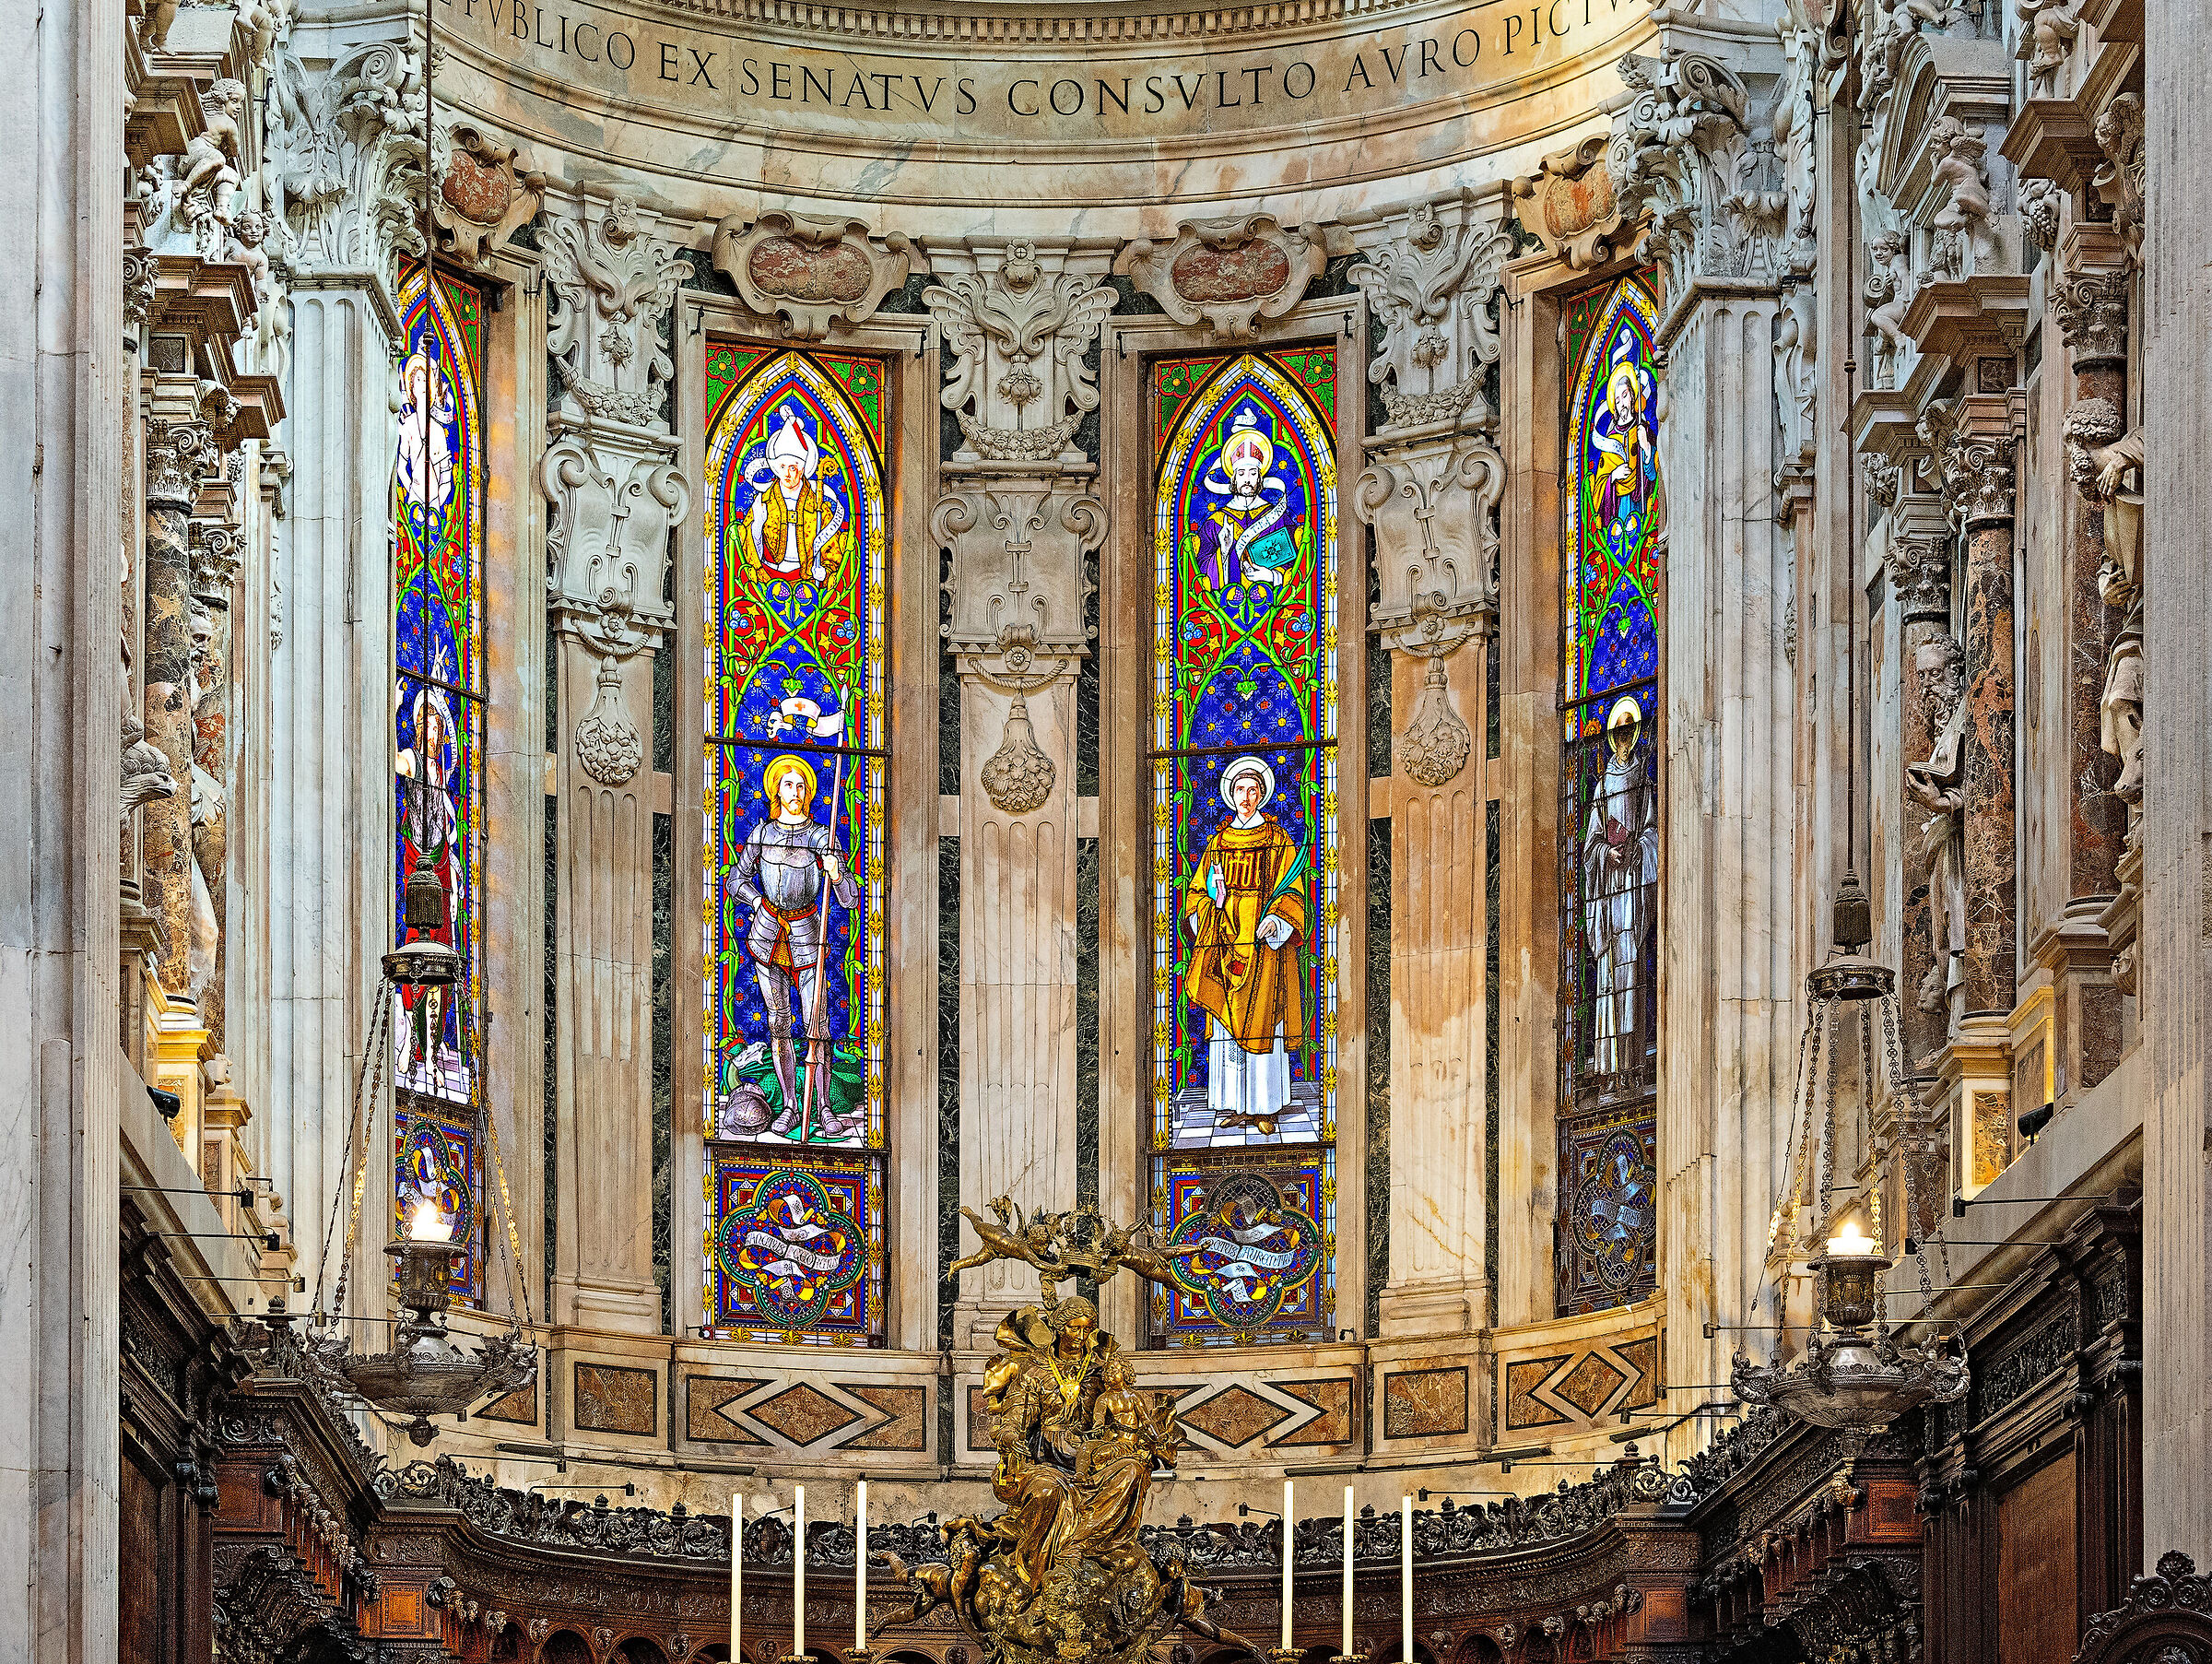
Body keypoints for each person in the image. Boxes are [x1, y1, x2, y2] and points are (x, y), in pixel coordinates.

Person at [728, 753, 860, 1137]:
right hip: (769, 932)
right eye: (788, 784)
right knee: (778, 1023)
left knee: (816, 1024)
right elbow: (736, 879)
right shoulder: (762, 834)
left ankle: (822, 1109)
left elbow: (850, 898)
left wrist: (836, 874)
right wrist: (756, 902)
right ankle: (788, 1106)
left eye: (802, 785)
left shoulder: (822, 836)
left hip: (807, 934)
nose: (796, 791)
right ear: (776, 790)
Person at [1182, 756, 1307, 1133]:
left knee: (1264, 1020)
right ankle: (1235, 1104)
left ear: (1263, 794)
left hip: (1264, 946)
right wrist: (1211, 903)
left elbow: (1293, 890)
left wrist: (1278, 919)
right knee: (1227, 1025)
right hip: (1222, 942)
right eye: (1240, 789)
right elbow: (1196, 895)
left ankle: (1264, 1107)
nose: (1247, 796)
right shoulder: (1217, 843)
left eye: (1254, 790)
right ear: (1230, 794)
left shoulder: (1277, 838)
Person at [1582, 696, 1657, 1077]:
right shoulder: (1600, 788)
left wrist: (1635, 849)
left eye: (1629, 731)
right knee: (1608, 975)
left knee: (1630, 969)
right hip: (1607, 888)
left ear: (1635, 733)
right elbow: (1590, 844)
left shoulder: (1643, 778)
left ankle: (1632, 1063)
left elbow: (1652, 832)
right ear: (1612, 737)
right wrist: (1604, 855)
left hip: (1632, 885)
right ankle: (1608, 1066)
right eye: (1618, 732)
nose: (1624, 739)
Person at [1194, 407, 1300, 592]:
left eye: (1253, 473)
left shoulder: (1278, 518)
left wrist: (1273, 576)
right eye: (1241, 473)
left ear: (1261, 476)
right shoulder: (1215, 523)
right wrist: (1224, 552)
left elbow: (1301, 563)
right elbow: (1198, 570)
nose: (1247, 479)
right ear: (1232, 478)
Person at [745, 407, 851, 582]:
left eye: (792, 467)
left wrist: (826, 571)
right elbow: (745, 546)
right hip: (769, 576)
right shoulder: (763, 502)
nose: (787, 473)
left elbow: (832, 548)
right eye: (782, 467)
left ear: (802, 469)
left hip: (807, 581)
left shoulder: (818, 504)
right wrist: (756, 527)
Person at [1589, 345, 1654, 547]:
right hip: (1616, 510)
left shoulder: (1643, 429)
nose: (1621, 404)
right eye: (1616, 400)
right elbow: (1597, 485)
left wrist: (1647, 450)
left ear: (1633, 396)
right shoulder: (1609, 438)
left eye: (1624, 396)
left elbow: (1653, 477)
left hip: (1638, 504)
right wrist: (1613, 476)